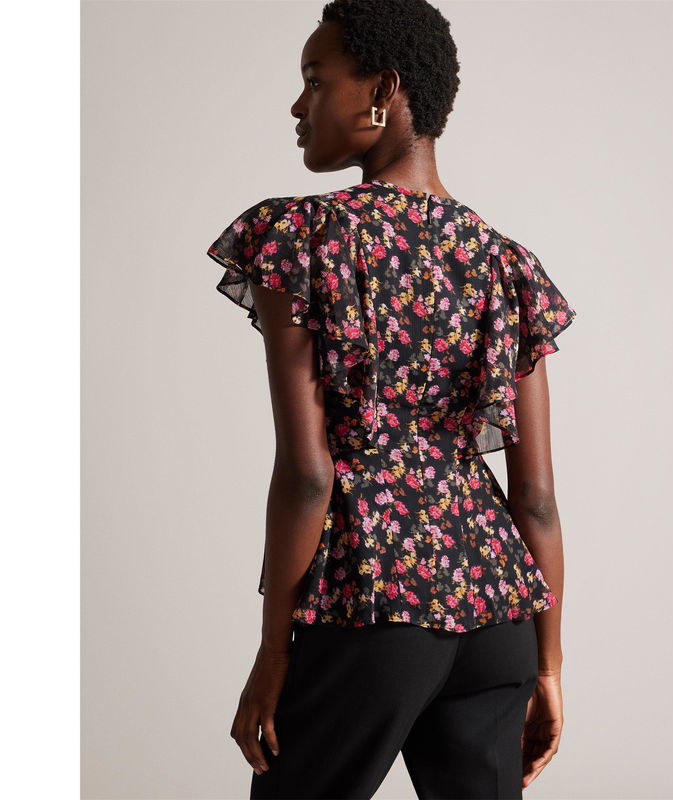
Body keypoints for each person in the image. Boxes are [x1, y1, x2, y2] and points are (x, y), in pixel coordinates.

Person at [206, 1, 577, 797]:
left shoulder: (304, 239)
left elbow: (310, 474)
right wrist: (548, 665)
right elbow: (537, 500)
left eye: (315, 80)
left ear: (382, 90)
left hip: (372, 599)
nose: (298, 106)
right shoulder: (505, 265)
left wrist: (274, 652)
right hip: (499, 612)